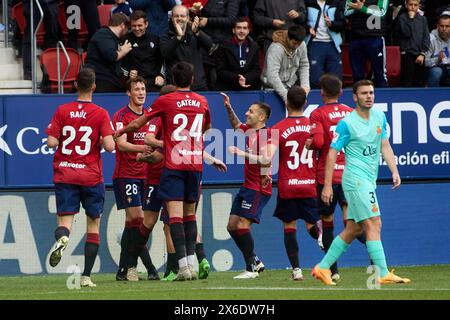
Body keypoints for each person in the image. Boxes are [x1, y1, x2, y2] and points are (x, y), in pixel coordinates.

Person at [114, 62, 211, 281]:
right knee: (190, 215)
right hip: (195, 165)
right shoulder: (202, 101)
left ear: (174, 82)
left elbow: (140, 122)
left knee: (174, 217)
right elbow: (205, 128)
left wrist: (121, 130)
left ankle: (183, 268)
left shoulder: (166, 101)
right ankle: (188, 266)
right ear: (193, 79)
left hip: (174, 166)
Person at [311, 80, 411, 286]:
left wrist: (394, 170)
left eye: (372, 93)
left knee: (354, 229)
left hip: (368, 179)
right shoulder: (347, 123)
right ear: (355, 97)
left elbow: (385, 144)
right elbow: (331, 153)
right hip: (355, 180)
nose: (369, 96)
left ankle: (322, 268)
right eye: (364, 93)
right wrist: (328, 185)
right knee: (375, 222)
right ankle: (382, 272)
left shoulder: (379, 116)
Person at [46, 68, 115, 288]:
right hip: (91, 176)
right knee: (93, 224)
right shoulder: (101, 113)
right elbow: (110, 146)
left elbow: (51, 143)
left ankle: (63, 238)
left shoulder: (62, 110)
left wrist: (61, 140)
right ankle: (86, 276)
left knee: (65, 222)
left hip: (65, 173)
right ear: (94, 86)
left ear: (76, 85)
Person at [270, 86, 323, 281]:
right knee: (311, 223)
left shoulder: (278, 127)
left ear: (286, 103)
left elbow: (270, 155)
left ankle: (296, 270)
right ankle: (320, 236)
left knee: (289, 226)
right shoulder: (313, 125)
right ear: (305, 104)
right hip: (309, 183)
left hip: (288, 185)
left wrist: (265, 172)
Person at [220, 92, 273, 279]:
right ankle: (255, 260)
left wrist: (241, 153)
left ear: (261, 117)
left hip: (258, 188)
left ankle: (251, 269)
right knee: (232, 226)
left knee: (242, 225)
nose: (246, 114)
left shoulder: (267, 135)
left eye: (250, 112)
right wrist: (228, 108)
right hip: (247, 186)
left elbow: (266, 158)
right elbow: (235, 125)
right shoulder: (250, 132)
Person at [112, 77, 160, 282]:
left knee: (132, 224)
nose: (141, 92)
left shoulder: (150, 115)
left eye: (143, 89)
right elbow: (121, 144)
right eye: (136, 89)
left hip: (146, 175)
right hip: (126, 175)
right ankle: (146, 268)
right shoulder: (121, 115)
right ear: (128, 93)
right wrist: (143, 148)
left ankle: (123, 270)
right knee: (139, 220)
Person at [308, 74, 353, 281]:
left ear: (322, 93)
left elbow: (318, 143)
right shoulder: (350, 113)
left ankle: (333, 271)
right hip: (350, 175)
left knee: (327, 223)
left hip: (327, 176)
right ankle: (377, 265)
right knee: (354, 224)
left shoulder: (317, 114)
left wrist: (309, 143)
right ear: (341, 92)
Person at [160, 5, 213, 91]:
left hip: (198, 85)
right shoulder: (165, 35)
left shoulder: (195, 31)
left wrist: (197, 32)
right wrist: (178, 38)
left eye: (182, 16)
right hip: (176, 87)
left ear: (188, 18)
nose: (179, 18)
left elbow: (210, 45)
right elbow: (165, 54)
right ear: (171, 18)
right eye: (176, 16)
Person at [344, 0, 389, 87]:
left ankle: (383, 98)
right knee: (357, 76)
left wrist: (363, 8)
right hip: (356, 38)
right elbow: (346, 12)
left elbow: (382, 12)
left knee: (379, 74)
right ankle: (358, 98)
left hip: (375, 38)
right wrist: (356, 7)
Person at [262, 25, 310, 103]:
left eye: (299, 43)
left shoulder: (302, 45)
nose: (297, 46)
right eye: (294, 43)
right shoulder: (276, 49)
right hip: (270, 89)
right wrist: (286, 97)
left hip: (290, 86)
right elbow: (272, 75)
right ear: (288, 38)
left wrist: (305, 86)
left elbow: (304, 65)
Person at [85, 13, 132, 92]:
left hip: (111, 80)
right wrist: (123, 51)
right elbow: (111, 56)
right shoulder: (103, 33)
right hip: (99, 79)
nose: (127, 31)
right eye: (127, 28)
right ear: (122, 25)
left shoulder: (115, 38)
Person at [305, 0, 345, 88]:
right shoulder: (307, 2)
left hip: (333, 44)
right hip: (314, 43)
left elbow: (342, 23)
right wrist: (308, 29)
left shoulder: (336, 2)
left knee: (336, 80)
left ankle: (334, 101)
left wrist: (332, 24)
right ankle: (316, 100)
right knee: (315, 79)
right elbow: (301, 21)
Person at [121, 10, 165, 92]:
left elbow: (162, 60)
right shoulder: (125, 40)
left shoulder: (155, 39)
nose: (137, 28)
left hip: (153, 84)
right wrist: (128, 73)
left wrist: (161, 75)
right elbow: (121, 63)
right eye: (134, 26)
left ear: (146, 24)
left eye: (139, 25)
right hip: (134, 84)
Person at [214, 17, 261, 91]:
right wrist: (237, 78)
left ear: (248, 31)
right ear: (233, 30)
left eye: (245, 28)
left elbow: (256, 71)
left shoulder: (254, 47)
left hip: (248, 89)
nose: (242, 31)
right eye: (239, 28)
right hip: (228, 89)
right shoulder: (223, 47)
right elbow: (220, 71)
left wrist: (246, 79)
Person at [396, 0, 430, 87]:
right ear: (406, 5)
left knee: (419, 81)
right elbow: (406, 33)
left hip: (420, 54)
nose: (413, 7)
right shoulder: (402, 18)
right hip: (407, 54)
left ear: (419, 6)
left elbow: (426, 37)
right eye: (411, 4)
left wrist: (422, 53)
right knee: (407, 81)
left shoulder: (423, 19)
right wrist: (410, 19)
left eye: (415, 5)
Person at [424, 11, 450, 87]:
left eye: (447, 26)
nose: (444, 29)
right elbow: (425, 62)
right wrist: (437, 59)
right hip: (435, 68)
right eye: (442, 26)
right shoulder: (430, 38)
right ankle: (432, 96)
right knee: (436, 72)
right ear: (437, 26)